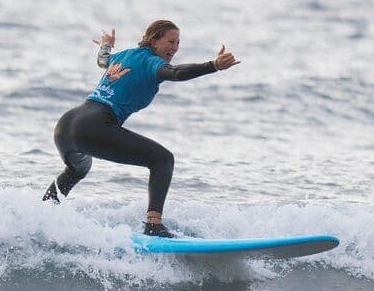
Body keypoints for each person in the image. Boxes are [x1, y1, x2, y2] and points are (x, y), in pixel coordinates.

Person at [42, 20, 240, 237]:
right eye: (170, 42)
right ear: (153, 41)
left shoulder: (124, 55)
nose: (175, 48)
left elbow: (102, 61)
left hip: (66, 125)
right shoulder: (150, 62)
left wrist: (106, 45)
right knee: (162, 160)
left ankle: (42, 216)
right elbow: (176, 73)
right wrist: (213, 65)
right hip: (93, 126)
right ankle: (153, 226)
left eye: (178, 43)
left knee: (76, 170)